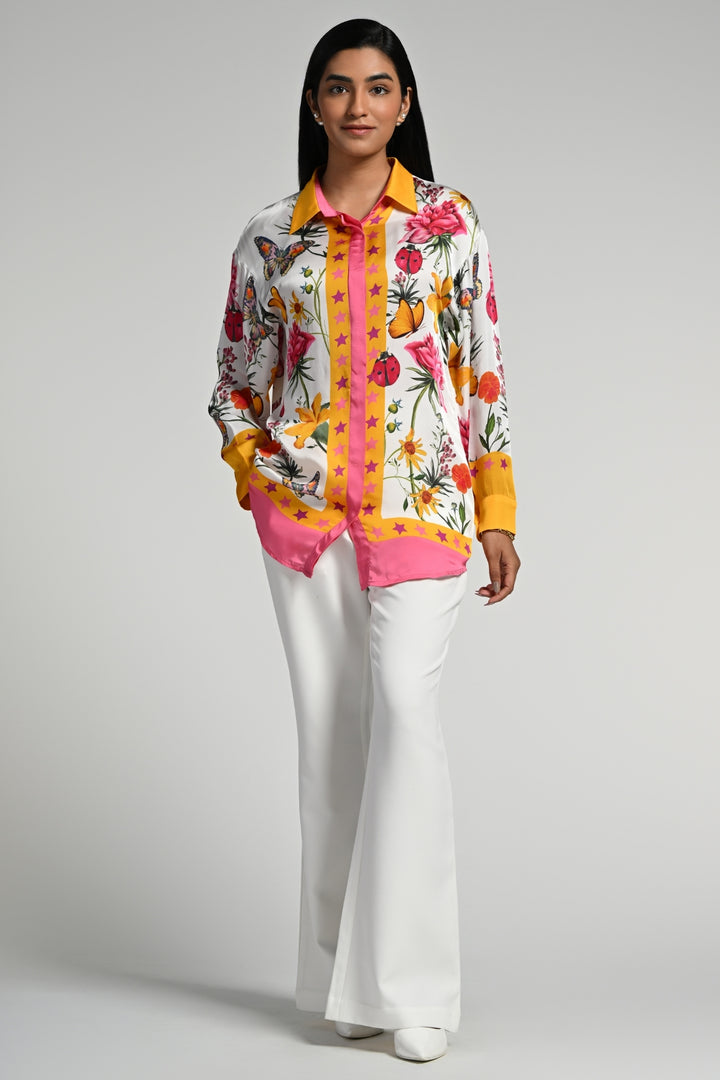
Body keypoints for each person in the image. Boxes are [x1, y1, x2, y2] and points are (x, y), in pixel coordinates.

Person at [209, 18, 520, 1063]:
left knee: (405, 716)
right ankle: (342, 979)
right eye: (338, 87)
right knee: (331, 739)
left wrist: (497, 510)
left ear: (405, 103)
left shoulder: (449, 223)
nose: (358, 105)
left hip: (422, 506)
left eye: (379, 87)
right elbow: (234, 381)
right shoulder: (269, 236)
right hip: (305, 523)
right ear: (314, 103)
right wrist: (258, 477)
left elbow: (481, 369)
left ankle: (417, 990)